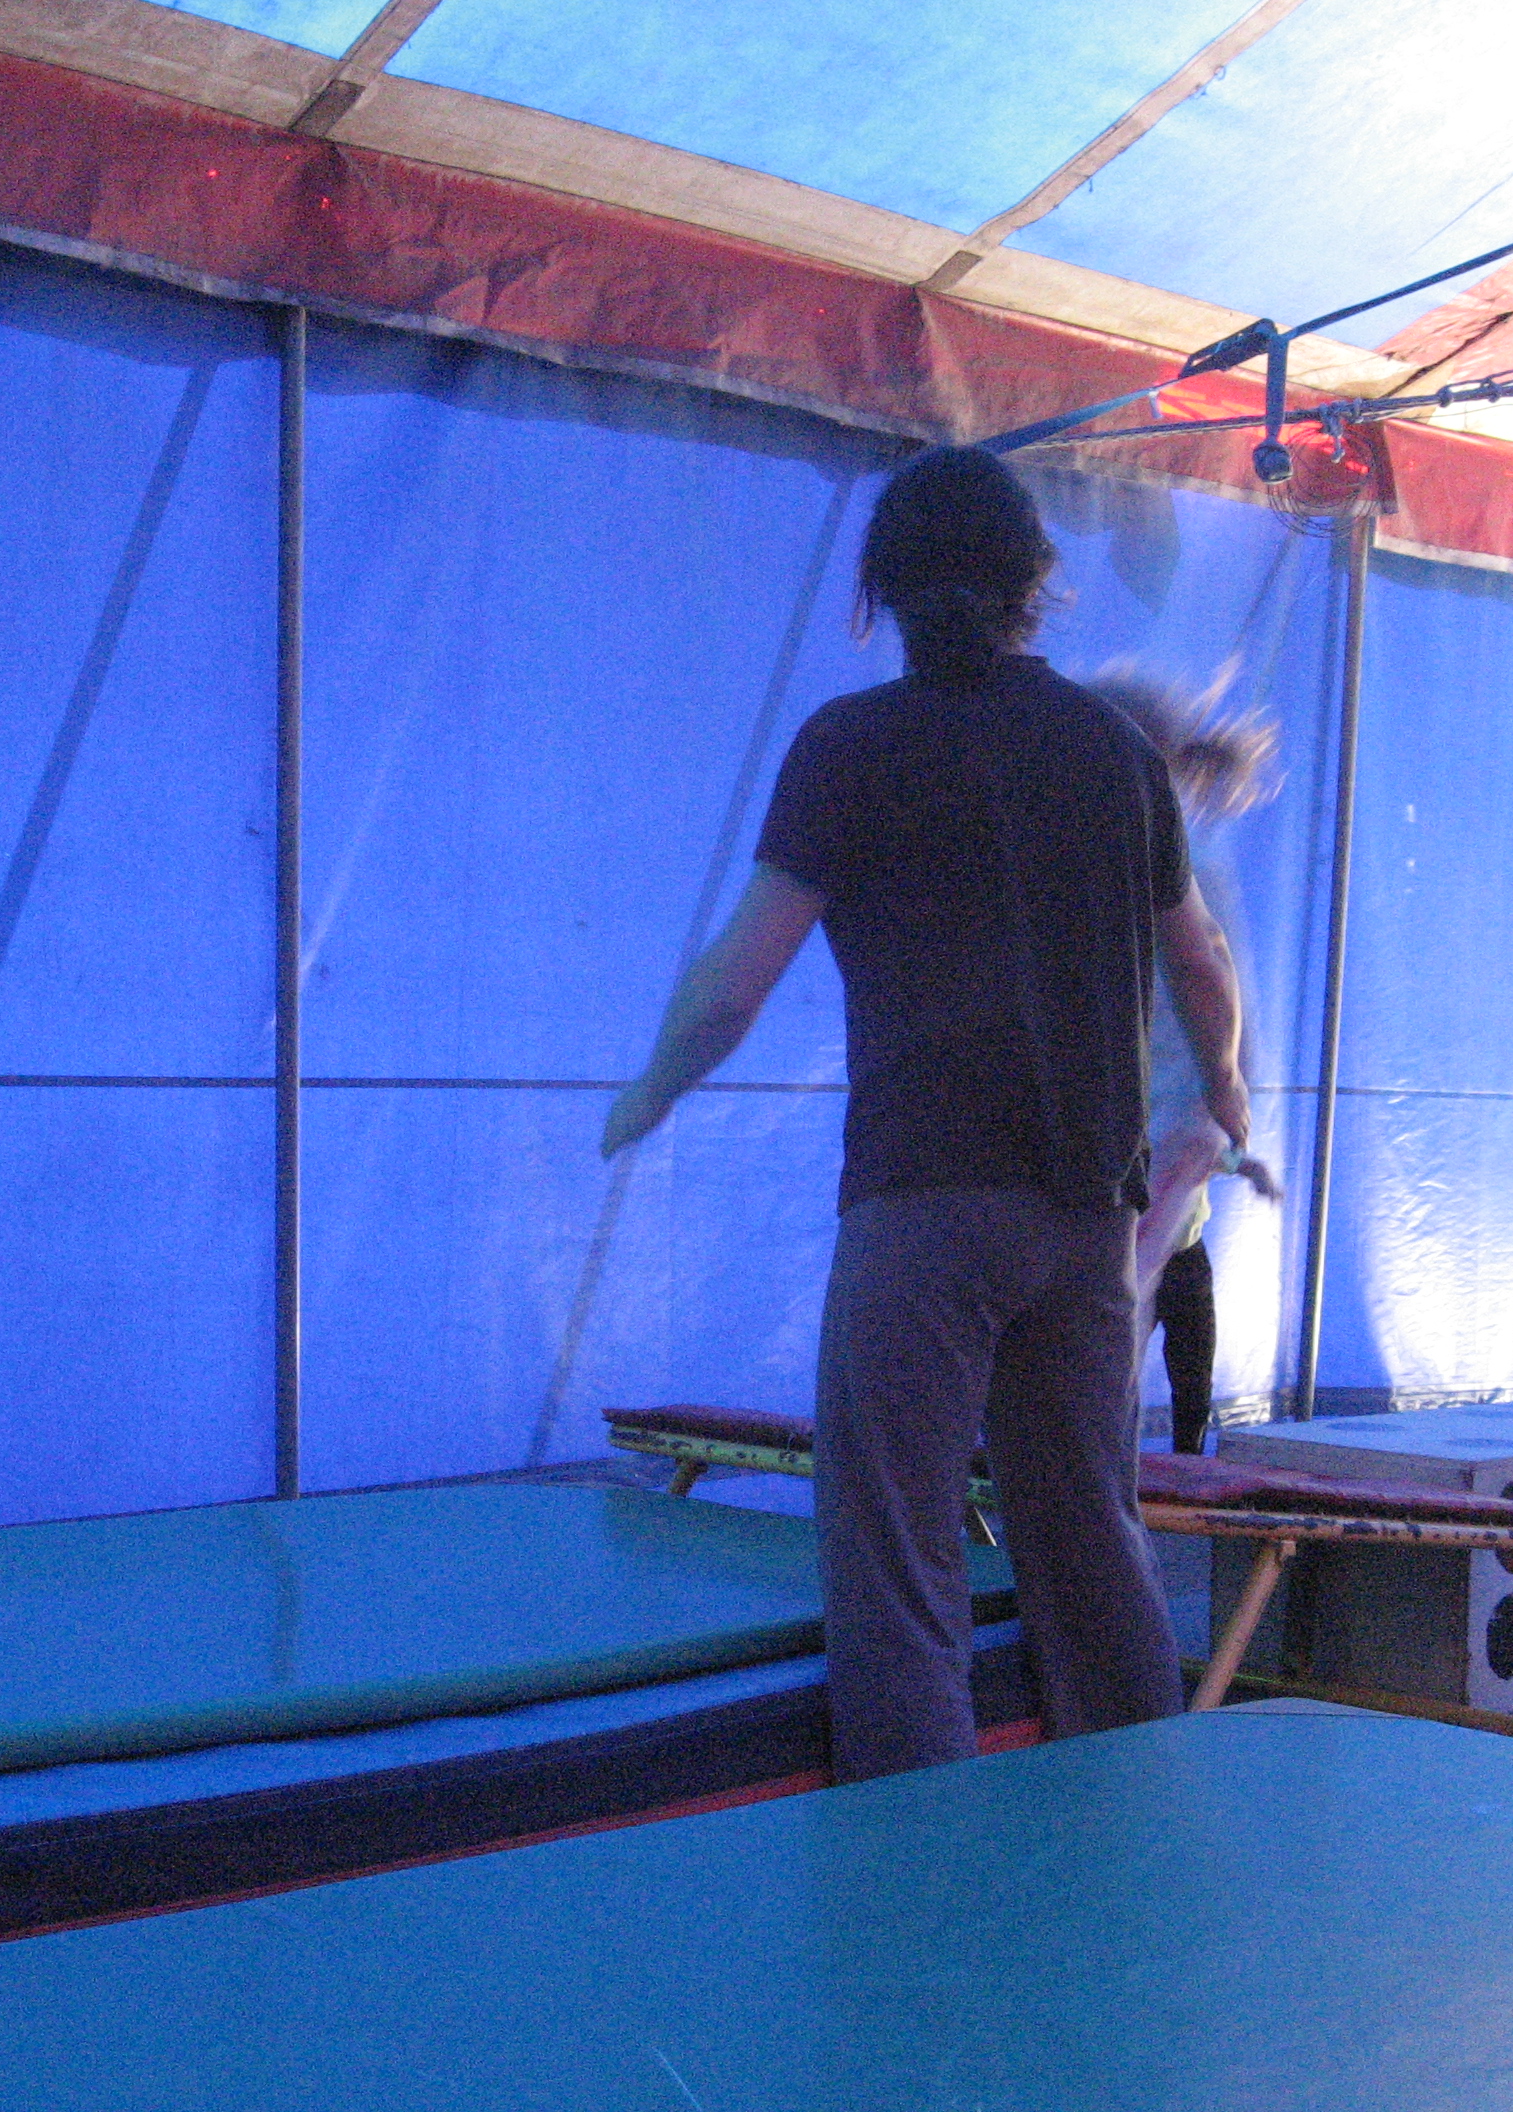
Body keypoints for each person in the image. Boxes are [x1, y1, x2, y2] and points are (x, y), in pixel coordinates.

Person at [600, 446, 1248, 1781]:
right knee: (1090, 1535)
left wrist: (652, 1087)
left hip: (927, 1207)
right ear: (1039, 584)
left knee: (896, 1551)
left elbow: (733, 984)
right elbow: (1201, 964)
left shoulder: (850, 749)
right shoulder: (1111, 754)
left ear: (877, 596)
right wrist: (1227, 1091)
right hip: (1085, 1216)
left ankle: (919, 1852)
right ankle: (1136, 1814)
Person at [1086, 668, 1283, 1454]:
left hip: (1166, 1126)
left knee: (1121, 1304)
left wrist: (1225, 1103)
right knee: (1115, 1302)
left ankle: (1101, 1458)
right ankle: (1093, 1456)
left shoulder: (1177, 857)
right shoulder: (1133, 849)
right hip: (1145, 1122)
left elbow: (1212, 977)